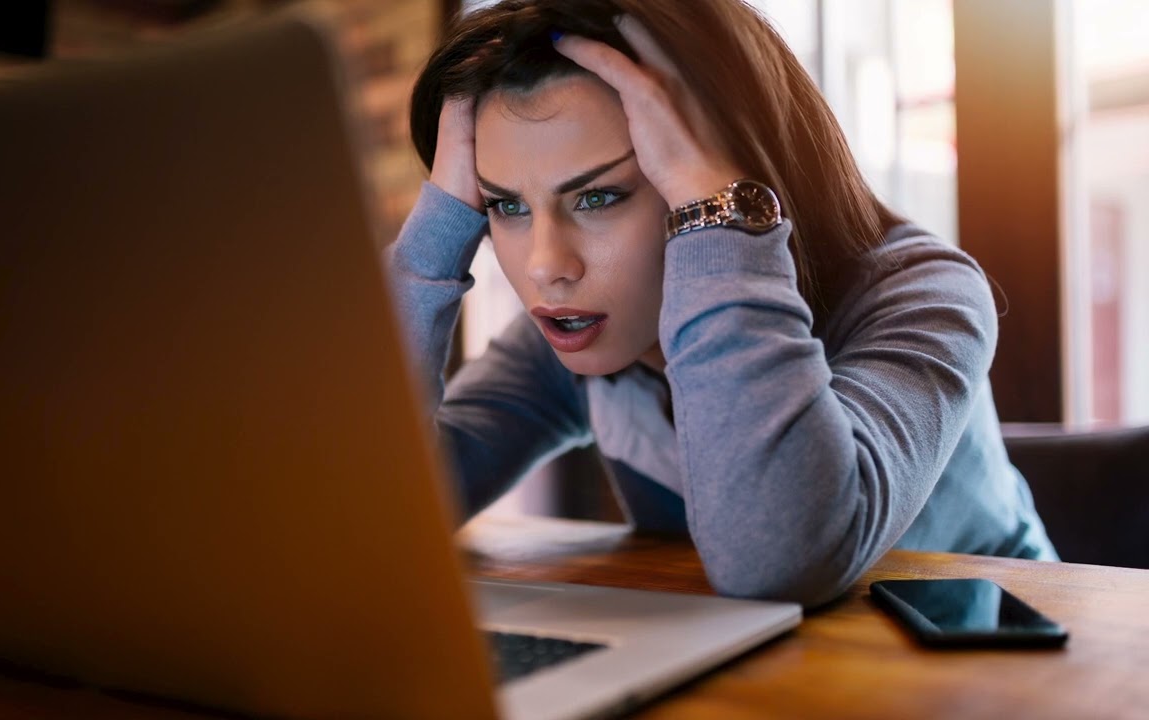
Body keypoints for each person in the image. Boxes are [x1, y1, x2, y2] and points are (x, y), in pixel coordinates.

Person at [384, 0, 1057, 607]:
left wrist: (719, 211)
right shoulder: (572, 333)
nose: (544, 267)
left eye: (598, 196)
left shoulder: (924, 294)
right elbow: (374, 516)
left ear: (717, 174)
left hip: (1018, 674)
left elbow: (779, 561)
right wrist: (434, 234)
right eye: (504, 205)